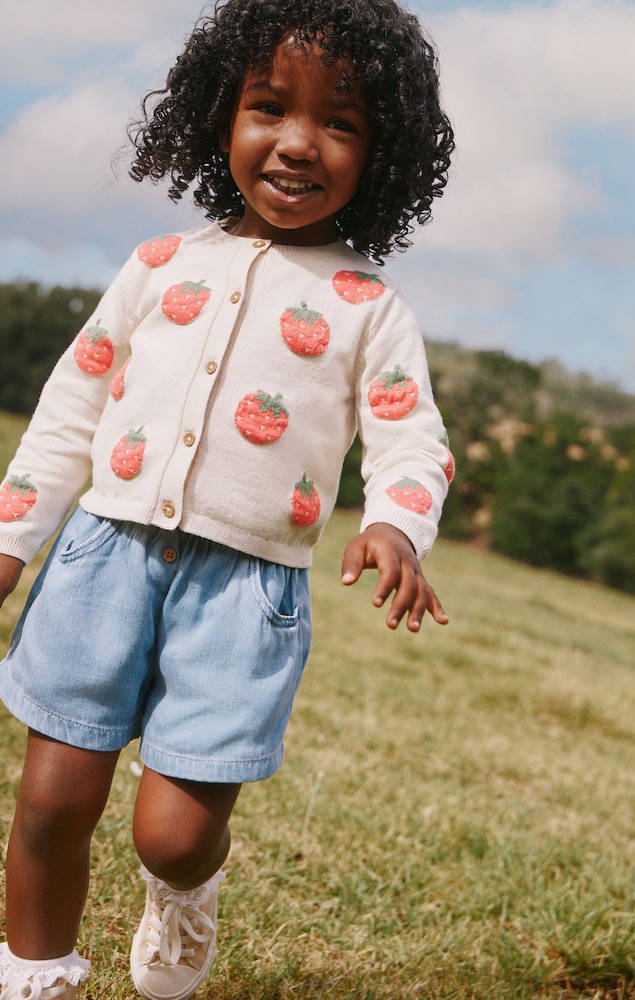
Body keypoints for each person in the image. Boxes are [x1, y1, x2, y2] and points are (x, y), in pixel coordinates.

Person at [0, 0, 454, 996]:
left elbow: (410, 433)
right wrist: (12, 537)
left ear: (382, 155)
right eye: (268, 107)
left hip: (244, 594)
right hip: (100, 561)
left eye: (340, 122)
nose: (298, 143)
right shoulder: (158, 268)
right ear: (220, 117)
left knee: (172, 833)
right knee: (48, 802)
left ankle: (185, 892)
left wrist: (394, 522)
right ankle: (32, 975)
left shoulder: (369, 309)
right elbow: (72, 403)